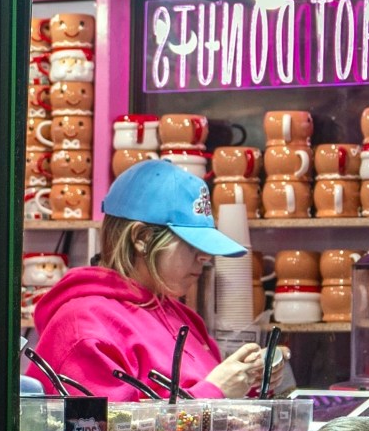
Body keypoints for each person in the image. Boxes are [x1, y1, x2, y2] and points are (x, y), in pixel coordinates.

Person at [26, 158, 279, 400]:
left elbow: (205, 404)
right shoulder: (83, 325)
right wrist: (215, 391)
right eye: (191, 243)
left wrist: (250, 381)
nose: (204, 256)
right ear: (142, 238)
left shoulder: (180, 316)